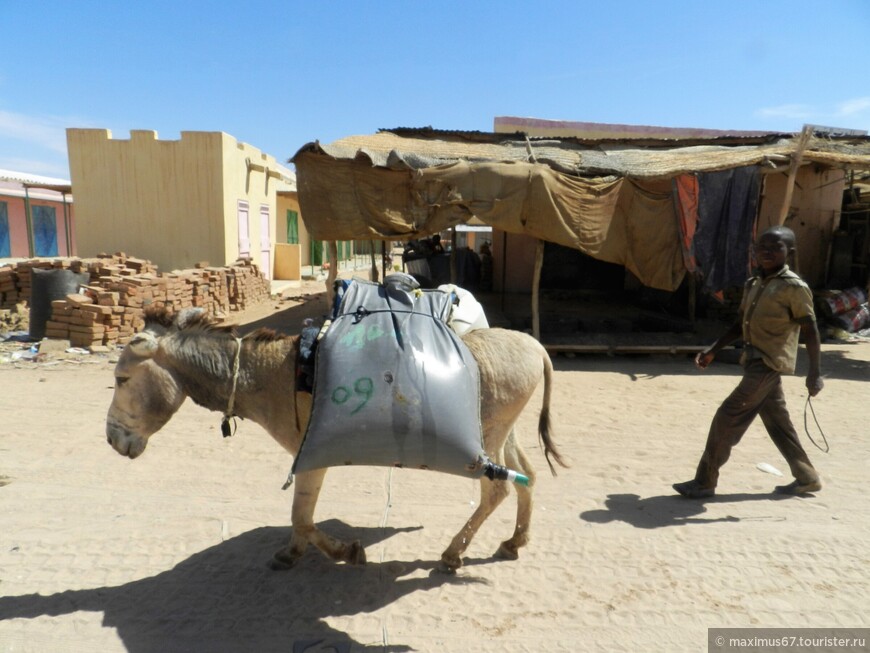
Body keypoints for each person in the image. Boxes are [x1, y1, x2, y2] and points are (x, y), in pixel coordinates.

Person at [673, 225, 824, 499]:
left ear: (789, 252)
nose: (766, 252)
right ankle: (807, 476)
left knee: (726, 418)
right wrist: (713, 349)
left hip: (767, 365)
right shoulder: (754, 283)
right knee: (779, 423)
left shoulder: (794, 288)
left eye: (774, 247)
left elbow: (811, 330)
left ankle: (705, 481)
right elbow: (739, 324)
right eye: (761, 247)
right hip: (754, 361)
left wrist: (815, 373)